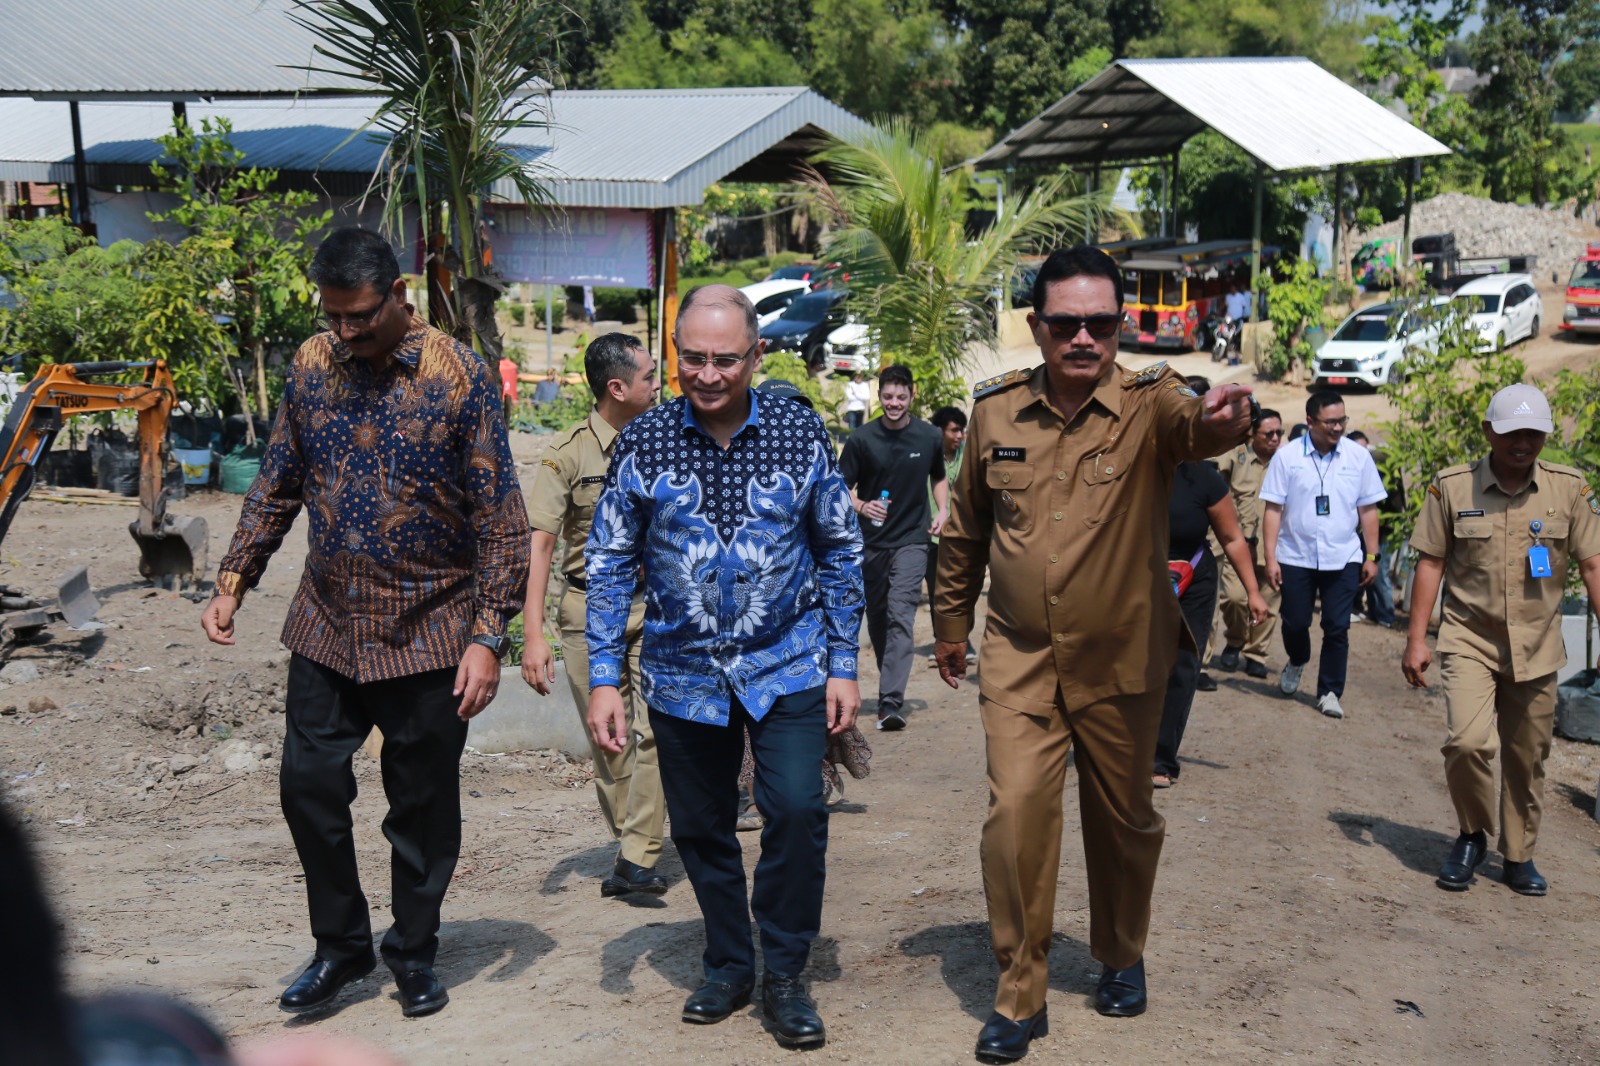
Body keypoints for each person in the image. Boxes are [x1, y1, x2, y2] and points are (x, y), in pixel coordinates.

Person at [933, 245, 1254, 1062]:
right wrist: (948, 625)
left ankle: (1119, 951)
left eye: (1101, 323)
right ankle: (1019, 993)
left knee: (1124, 821)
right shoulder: (996, 413)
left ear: (1120, 326)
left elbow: (1198, 425)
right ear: (1037, 326)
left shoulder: (1153, 402)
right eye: (1067, 323)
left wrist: (1225, 420)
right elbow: (967, 529)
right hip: (1020, 657)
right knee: (1015, 822)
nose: (1084, 337)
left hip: (1123, 657)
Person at [200, 228, 530, 1019]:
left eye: (359, 317)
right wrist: (233, 578)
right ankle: (340, 948)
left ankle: (413, 952)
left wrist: (490, 635)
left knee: (420, 808)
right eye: (333, 316)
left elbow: (501, 518)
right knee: (307, 786)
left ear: (397, 295)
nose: (345, 331)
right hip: (327, 621)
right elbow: (278, 477)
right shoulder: (313, 363)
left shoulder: (460, 375)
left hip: (429, 630)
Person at [584, 285, 864, 1049]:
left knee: (799, 810)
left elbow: (839, 545)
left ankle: (786, 972)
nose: (708, 375)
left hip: (791, 661)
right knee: (703, 828)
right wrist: (604, 675)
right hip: (682, 673)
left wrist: (844, 662)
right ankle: (729, 961)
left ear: (756, 356)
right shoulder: (644, 443)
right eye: (693, 359)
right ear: (676, 355)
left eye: (726, 360)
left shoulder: (798, 429)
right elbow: (608, 561)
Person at [1403, 384, 1600, 896]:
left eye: (1534, 433)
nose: (1523, 443)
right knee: (1467, 742)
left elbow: (1593, 563)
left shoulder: (1569, 489)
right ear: (1490, 431)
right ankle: (1472, 834)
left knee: (1527, 754)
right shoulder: (1452, 488)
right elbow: (1431, 562)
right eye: (1512, 433)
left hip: (1538, 643)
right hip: (1470, 637)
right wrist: (1416, 639)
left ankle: (1519, 854)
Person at [521, 332, 666, 898]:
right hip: (588, 611)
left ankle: (638, 853)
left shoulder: (666, 442)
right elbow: (540, 546)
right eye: (649, 377)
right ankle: (637, 846)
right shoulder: (568, 455)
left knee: (656, 731)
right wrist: (534, 635)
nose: (658, 385)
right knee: (611, 738)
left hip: (654, 605)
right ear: (617, 387)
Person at [1259, 391, 1385, 720]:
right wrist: (1270, 558)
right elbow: (1273, 509)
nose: (1338, 427)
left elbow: (1368, 509)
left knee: (1337, 626)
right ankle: (1298, 659)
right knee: (1295, 621)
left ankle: (1330, 690)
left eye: (1342, 420)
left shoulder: (1358, 458)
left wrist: (1372, 555)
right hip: (1295, 555)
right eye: (1331, 421)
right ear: (1311, 420)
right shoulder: (1287, 458)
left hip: (1343, 557)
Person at [839, 364, 949, 731]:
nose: (894, 403)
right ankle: (890, 689)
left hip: (913, 539)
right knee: (880, 617)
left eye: (901, 397)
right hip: (871, 543)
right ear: (879, 396)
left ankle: (890, 702)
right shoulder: (861, 439)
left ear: (912, 396)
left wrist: (944, 509)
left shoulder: (928, 436)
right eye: (887, 396)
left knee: (902, 613)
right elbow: (839, 487)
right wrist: (861, 506)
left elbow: (939, 477)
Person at [1154, 445, 1269, 789]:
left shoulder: (1205, 476)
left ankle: (1160, 758)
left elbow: (1232, 538)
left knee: (1183, 665)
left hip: (1192, 578)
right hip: (1136, 574)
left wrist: (1252, 591)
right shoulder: (1129, 470)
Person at [1214, 408, 1285, 680]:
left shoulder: (1286, 462)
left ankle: (1256, 654)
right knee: (1234, 597)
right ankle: (1235, 639)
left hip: (1274, 544)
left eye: (1280, 432)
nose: (1276, 438)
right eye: (1269, 433)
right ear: (1253, 434)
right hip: (1240, 542)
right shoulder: (1237, 456)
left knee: (1270, 598)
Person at [1345, 429, 1402, 628]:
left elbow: (1382, 503)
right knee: (1368, 570)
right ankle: (1375, 611)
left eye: (1364, 448)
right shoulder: (1358, 464)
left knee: (1380, 571)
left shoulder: (1381, 463)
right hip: (1369, 529)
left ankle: (1386, 615)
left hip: (1385, 528)